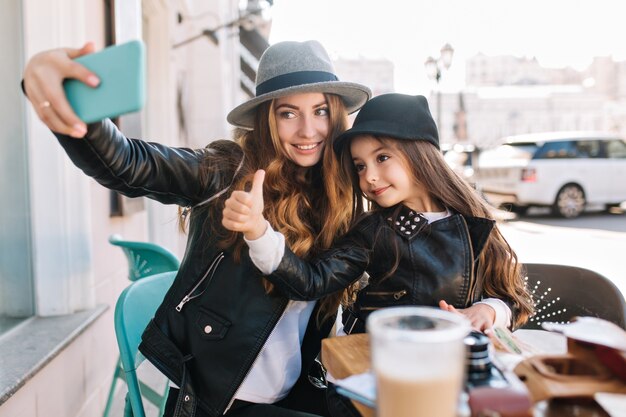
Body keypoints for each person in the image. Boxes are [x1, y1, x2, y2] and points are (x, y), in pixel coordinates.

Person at [22, 40, 371, 417]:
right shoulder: (227, 171)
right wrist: (73, 107)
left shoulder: (340, 195)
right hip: (217, 400)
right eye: (289, 113)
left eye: (319, 111)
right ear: (267, 119)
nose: (307, 130)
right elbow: (128, 163)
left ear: (335, 117)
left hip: (295, 391)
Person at [223, 92, 534, 333]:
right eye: (360, 166)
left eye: (382, 157)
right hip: (378, 367)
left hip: (454, 366)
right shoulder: (373, 232)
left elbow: (515, 300)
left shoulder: (474, 222)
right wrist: (257, 232)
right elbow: (311, 281)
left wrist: (490, 311)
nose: (369, 176)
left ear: (421, 155)